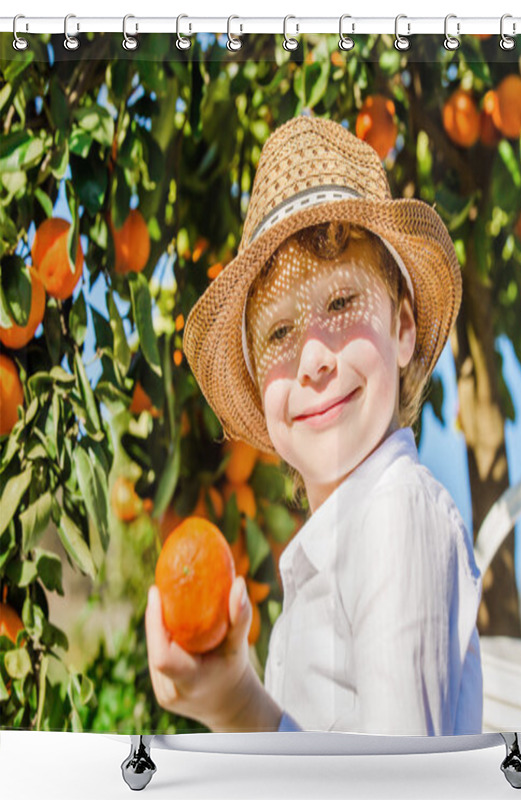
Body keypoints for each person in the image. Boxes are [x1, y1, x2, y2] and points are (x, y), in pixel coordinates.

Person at [145, 115, 483, 735]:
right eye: (278, 333)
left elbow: (396, 786)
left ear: (403, 328)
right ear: (257, 383)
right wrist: (235, 700)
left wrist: (236, 704)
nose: (313, 358)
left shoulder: (394, 513)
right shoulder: (324, 557)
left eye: (341, 303)